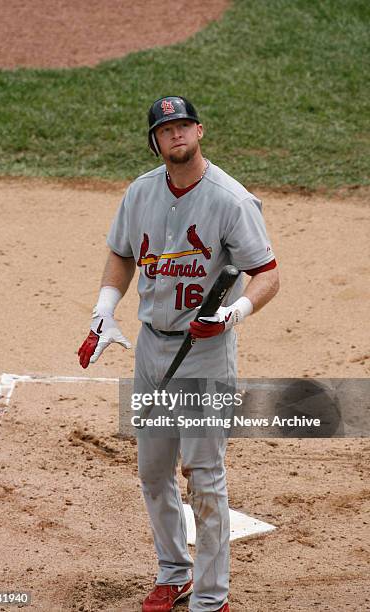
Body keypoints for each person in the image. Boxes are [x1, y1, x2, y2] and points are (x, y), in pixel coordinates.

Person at [78, 96, 279, 612]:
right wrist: (105, 310)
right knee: (153, 469)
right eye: (167, 129)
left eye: (185, 125)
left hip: (206, 354)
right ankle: (174, 572)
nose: (177, 134)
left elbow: (268, 274)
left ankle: (212, 599)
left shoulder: (231, 201)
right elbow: (122, 253)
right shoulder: (140, 192)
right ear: (155, 140)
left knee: (205, 477)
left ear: (200, 131)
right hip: (151, 350)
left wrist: (233, 315)